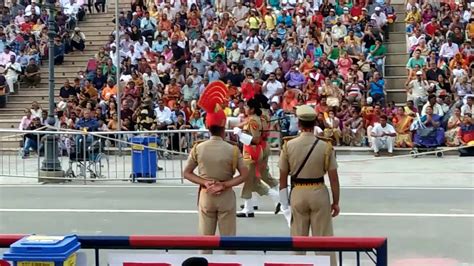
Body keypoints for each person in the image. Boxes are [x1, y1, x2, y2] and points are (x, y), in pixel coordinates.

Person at [183, 81, 248, 250]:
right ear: (223, 127)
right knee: (229, 244)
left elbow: (187, 173)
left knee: (205, 243)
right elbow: (244, 174)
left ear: (207, 126)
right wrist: (225, 184)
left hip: (206, 194)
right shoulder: (232, 149)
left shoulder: (199, 147)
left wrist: (204, 182)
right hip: (225, 194)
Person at [278, 105, 340, 266]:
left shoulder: (288, 145)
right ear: (315, 124)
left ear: (299, 124)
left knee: (298, 239)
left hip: (298, 192)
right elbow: (334, 178)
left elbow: (282, 178)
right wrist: (336, 202)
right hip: (319, 190)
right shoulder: (325, 146)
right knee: (323, 240)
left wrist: (284, 203)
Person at [237, 98, 280, 218]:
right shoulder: (254, 119)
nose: (244, 108)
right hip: (252, 150)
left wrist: (240, 134)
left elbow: (255, 140)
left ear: (252, 109)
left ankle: (278, 198)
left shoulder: (254, 121)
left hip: (252, 151)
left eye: (247, 106)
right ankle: (249, 207)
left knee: (250, 180)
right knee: (251, 180)